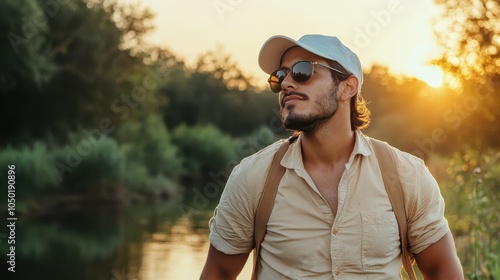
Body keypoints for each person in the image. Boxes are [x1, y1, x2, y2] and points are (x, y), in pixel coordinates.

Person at [200, 34, 463, 279]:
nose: (287, 83)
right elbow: (219, 271)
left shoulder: (407, 175)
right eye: (280, 76)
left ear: (347, 87)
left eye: (303, 71)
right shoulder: (253, 177)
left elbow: (442, 269)